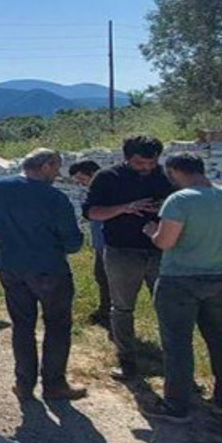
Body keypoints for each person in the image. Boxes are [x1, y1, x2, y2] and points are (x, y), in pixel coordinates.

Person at [0, 148, 87, 402]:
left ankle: (24, 384)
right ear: (46, 165)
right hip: (49, 269)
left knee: (23, 325)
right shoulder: (54, 198)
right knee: (57, 326)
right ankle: (54, 384)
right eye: (56, 166)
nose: (58, 173)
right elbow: (73, 243)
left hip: (11, 265)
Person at [142, 152, 222, 423]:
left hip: (179, 280)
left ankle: (176, 404)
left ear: (174, 171)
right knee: (220, 338)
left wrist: (151, 232)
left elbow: (166, 242)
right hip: (219, 277)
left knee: (177, 343)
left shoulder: (180, 200)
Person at [83, 135, 174, 381]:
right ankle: (127, 360)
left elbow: (180, 208)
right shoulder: (107, 177)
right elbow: (91, 212)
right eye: (138, 164)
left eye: (150, 163)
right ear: (126, 158)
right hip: (121, 251)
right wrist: (125, 208)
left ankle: (174, 362)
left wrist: (162, 208)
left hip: (161, 250)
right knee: (122, 307)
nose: (145, 168)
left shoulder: (166, 177)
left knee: (168, 307)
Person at [68, 159, 110, 327]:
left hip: (109, 243)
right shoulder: (95, 191)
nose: (80, 183)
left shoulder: (107, 190)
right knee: (101, 277)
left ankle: (108, 312)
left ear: (92, 174)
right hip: (100, 243)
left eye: (82, 178)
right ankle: (105, 309)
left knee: (107, 278)